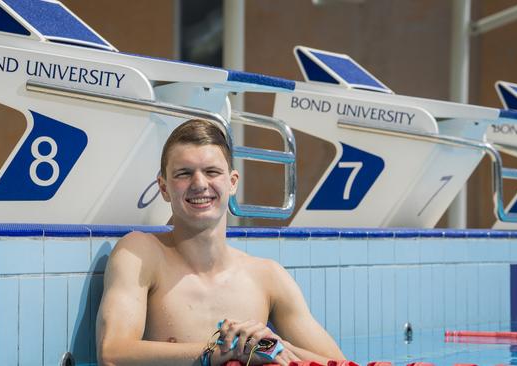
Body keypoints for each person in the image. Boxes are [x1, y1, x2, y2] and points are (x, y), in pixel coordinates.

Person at [96, 119, 344, 366]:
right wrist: (222, 353)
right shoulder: (141, 254)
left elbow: (340, 363)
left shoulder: (267, 276)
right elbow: (112, 354)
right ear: (163, 187)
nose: (200, 184)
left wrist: (274, 346)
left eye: (212, 172)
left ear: (233, 182)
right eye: (184, 173)